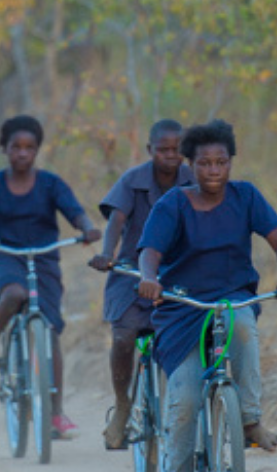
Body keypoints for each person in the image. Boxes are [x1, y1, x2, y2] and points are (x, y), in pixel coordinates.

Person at [136, 119, 277, 472]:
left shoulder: (245, 196)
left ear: (231, 162)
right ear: (191, 165)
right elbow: (150, 253)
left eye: (221, 162)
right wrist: (150, 278)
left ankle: (249, 420)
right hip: (183, 308)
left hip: (231, 298)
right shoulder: (172, 204)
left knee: (244, 329)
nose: (213, 171)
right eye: (205, 163)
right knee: (185, 400)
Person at [0, 115, 100, 439]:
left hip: (44, 258)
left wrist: (87, 228)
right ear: (5, 149)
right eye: (16, 147)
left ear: (37, 150)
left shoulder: (51, 183)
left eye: (29, 147)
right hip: (5, 255)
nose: (22, 153)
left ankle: (56, 414)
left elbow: (74, 210)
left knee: (50, 330)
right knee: (14, 294)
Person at [90, 119, 194, 449]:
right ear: (150, 150)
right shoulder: (132, 181)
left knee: (197, 337)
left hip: (180, 272)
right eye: (162, 150)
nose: (170, 156)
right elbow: (116, 222)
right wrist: (107, 253)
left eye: (176, 150)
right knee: (123, 336)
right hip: (133, 272)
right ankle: (123, 406)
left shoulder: (195, 179)